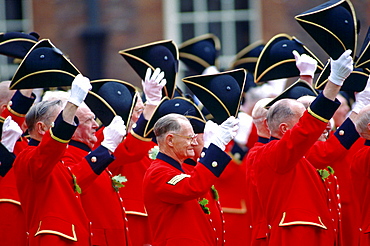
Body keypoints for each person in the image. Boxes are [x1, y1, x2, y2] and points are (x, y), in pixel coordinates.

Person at [251, 49, 353, 245]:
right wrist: (334, 83)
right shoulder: (271, 153)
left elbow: (303, 127)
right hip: (295, 237)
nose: (318, 128)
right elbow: (305, 130)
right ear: (284, 129)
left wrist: (306, 79)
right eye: (301, 121)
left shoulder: (292, 151)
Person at [13, 74, 109, 245]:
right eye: (61, 122)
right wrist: (72, 104)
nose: (69, 128)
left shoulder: (58, 161)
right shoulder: (27, 157)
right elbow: (48, 151)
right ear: (42, 128)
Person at [143, 113, 239, 245]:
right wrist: (215, 147)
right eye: (189, 138)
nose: (193, 143)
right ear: (170, 140)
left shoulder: (175, 169)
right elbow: (193, 186)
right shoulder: (158, 172)